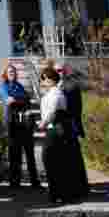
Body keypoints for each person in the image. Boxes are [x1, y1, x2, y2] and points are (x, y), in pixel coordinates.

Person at [37, 66, 77, 204]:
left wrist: (43, 123)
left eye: (44, 78)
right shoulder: (49, 93)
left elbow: (52, 112)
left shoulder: (56, 94)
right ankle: (56, 192)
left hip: (56, 129)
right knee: (52, 161)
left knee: (51, 160)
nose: (42, 81)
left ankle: (58, 192)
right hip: (52, 129)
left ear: (50, 79)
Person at [0, 64, 40, 190]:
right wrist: (21, 100)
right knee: (14, 154)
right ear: (5, 74)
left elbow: (26, 100)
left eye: (13, 71)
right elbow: (9, 100)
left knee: (29, 153)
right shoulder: (4, 87)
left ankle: (34, 181)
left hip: (25, 124)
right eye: (9, 72)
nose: (12, 73)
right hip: (12, 124)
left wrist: (18, 100)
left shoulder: (19, 86)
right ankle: (14, 182)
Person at [59, 64, 89, 200]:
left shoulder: (68, 85)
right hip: (71, 124)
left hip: (70, 125)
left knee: (73, 156)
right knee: (73, 156)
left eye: (60, 70)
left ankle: (77, 186)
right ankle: (79, 185)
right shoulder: (66, 84)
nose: (58, 72)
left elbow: (70, 107)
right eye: (56, 70)